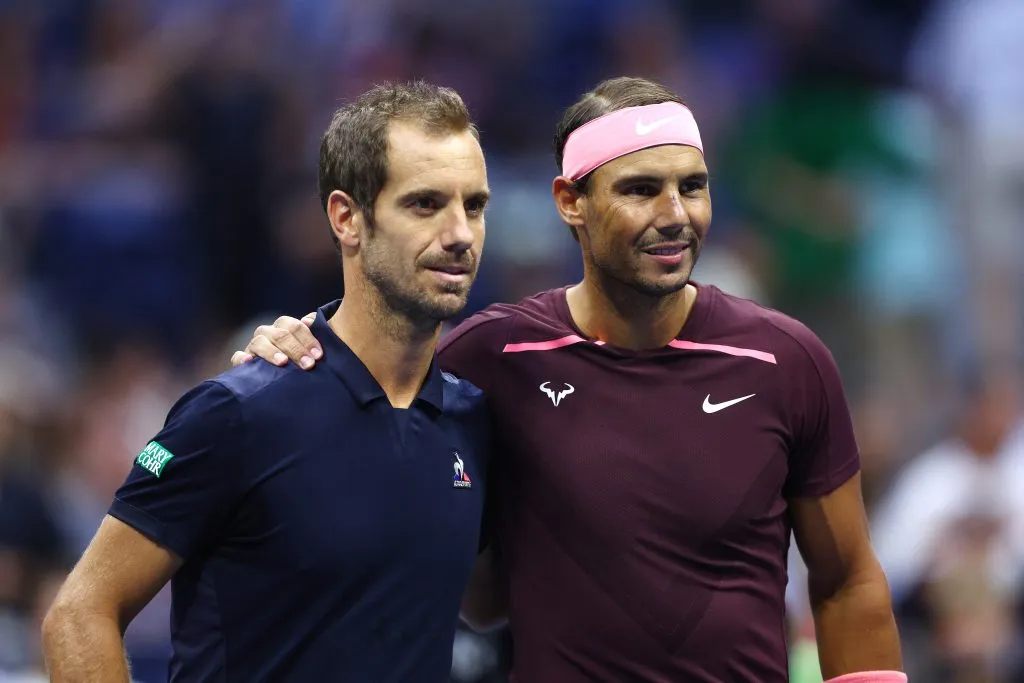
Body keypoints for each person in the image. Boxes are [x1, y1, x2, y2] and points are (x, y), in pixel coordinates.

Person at [243, 77, 906, 683]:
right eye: (641, 189)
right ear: (571, 202)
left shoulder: (785, 360)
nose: (675, 213)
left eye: (693, 186)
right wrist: (293, 344)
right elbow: (350, 392)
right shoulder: (491, 355)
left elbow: (847, 580)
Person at [41, 81, 494, 683]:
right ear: (346, 218)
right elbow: (78, 614)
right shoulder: (236, 413)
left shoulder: (475, 421)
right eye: (424, 204)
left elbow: (488, 608)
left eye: (475, 205)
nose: (460, 232)